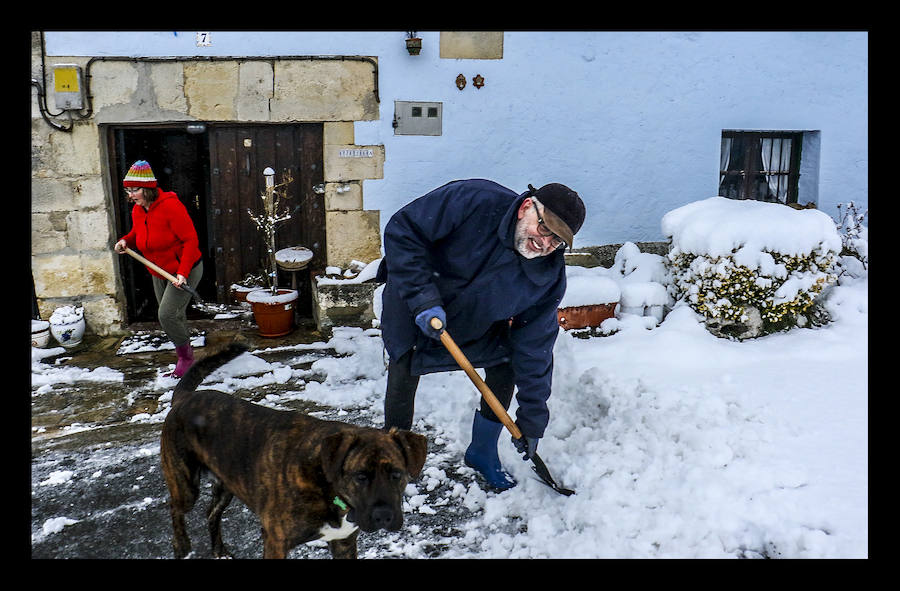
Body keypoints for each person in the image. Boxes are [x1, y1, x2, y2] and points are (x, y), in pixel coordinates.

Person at [376, 179, 586, 490]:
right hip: (415, 302)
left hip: (478, 322)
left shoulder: (547, 275)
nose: (545, 245)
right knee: (404, 369)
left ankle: (482, 452)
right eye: (545, 230)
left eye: (557, 241)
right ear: (527, 208)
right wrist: (422, 298)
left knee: (507, 364)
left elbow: (535, 347)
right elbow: (404, 231)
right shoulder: (474, 201)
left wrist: (532, 419)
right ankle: (393, 463)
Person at [113, 160, 203, 378]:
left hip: (185, 268)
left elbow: (190, 240)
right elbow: (138, 234)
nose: (131, 195)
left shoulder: (171, 206)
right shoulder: (138, 210)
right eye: (128, 190)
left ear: (148, 188)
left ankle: (186, 358)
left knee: (166, 315)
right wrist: (126, 241)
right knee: (175, 314)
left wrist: (182, 273)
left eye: (135, 189)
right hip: (157, 271)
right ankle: (187, 352)